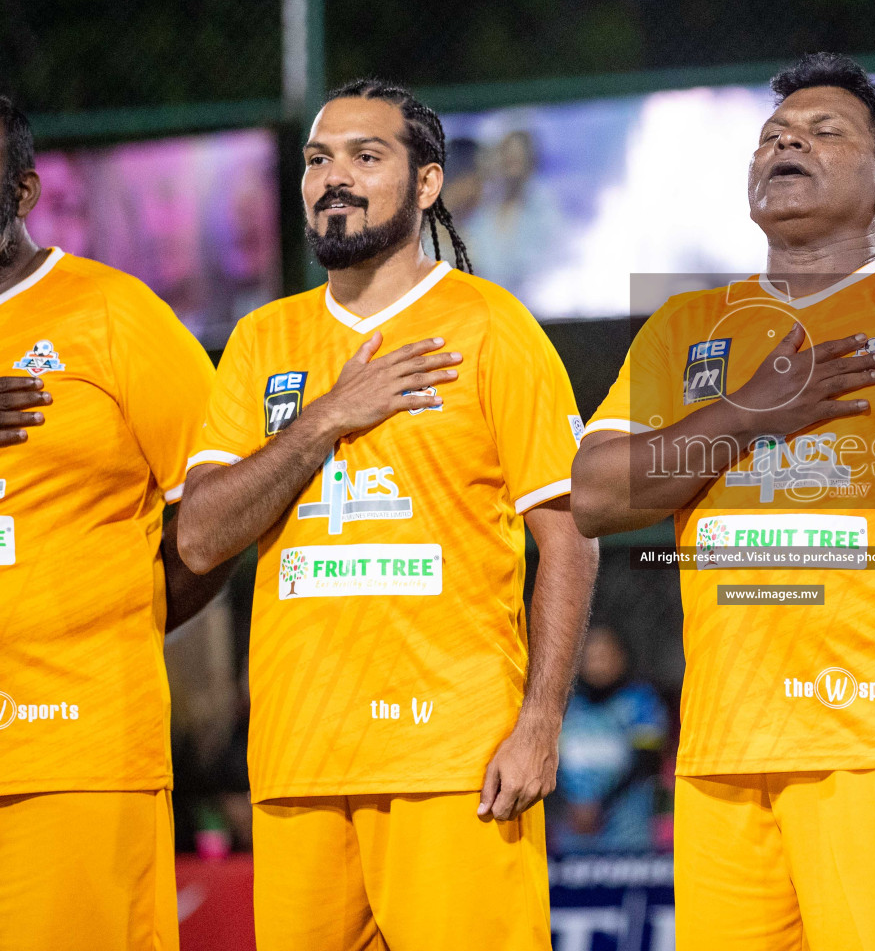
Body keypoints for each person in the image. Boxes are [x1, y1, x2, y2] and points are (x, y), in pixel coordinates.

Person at [571, 52, 875, 951]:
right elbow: (593, 495)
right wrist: (751, 410)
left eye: (826, 131)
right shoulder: (684, 326)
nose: (786, 139)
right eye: (774, 135)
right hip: (721, 754)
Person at [176, 79, 598, 950]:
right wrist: (329, 413)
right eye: (318, 159)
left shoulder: (492, 327)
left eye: (367, 157)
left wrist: (541, 723)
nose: (336, 177)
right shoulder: (263, 340)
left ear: (427, 184)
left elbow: (571, 536)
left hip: (455, 763)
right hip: (297, 764)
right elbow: (203, 534)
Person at [0, 96, 229, 950]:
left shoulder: (113, 315)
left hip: (74, 749)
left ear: (24, 191)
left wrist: (126, 619)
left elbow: (221, 508)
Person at [553, 625, 670, 852]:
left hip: (626, 822)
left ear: (621, 656)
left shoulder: (641, 701)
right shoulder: (565, 704)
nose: (598, 665)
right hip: (572, 821)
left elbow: (647, 762)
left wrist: (598, 805)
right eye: (591, 657)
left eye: (605, 656)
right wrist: (569, 805)